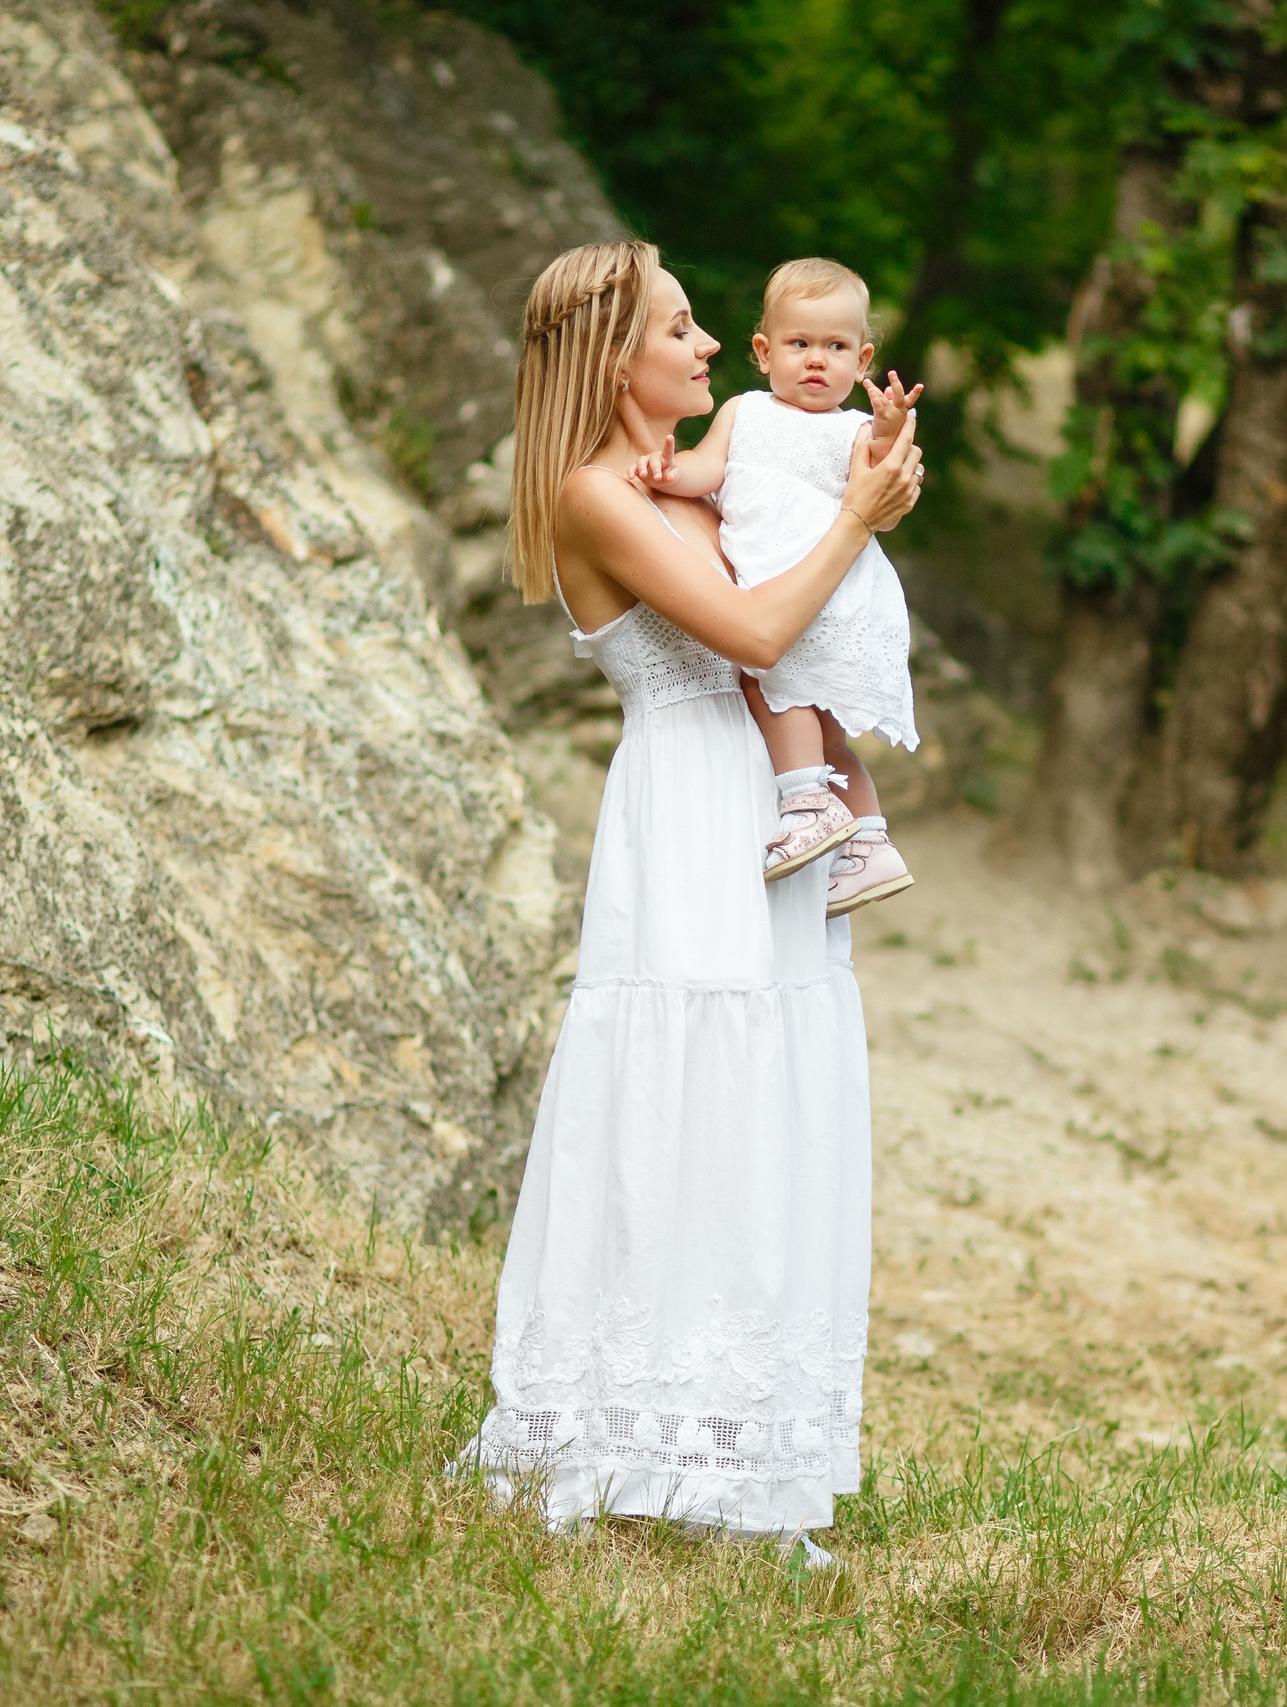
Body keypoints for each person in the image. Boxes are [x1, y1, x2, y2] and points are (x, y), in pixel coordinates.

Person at [455, 240, 923, 1568]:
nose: (712, 343)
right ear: (616, 360)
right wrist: (857, 521)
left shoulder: (716, 471)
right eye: (682, 325)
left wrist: (865, 472)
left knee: (767, 1099)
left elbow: (796, 614)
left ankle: (741, 1462)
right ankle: (613, 1437)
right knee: (679, 1104)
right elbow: (755, 636)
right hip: (686, 817)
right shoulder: (591, 493)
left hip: (776, 806)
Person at [631, 258, 922, 918]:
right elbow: (705, 469)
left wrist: (888, 426)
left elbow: (880, 478)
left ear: (863, 359)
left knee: (770, 681)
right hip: (790, 583)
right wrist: (661, 471)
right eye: (799, 344)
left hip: (826, 590)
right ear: (763, 352)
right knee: (821, 728)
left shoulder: (851, 429)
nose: (817, 361)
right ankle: (870, 841)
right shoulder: (745, 412)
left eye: (836, 347)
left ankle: (806, 803)